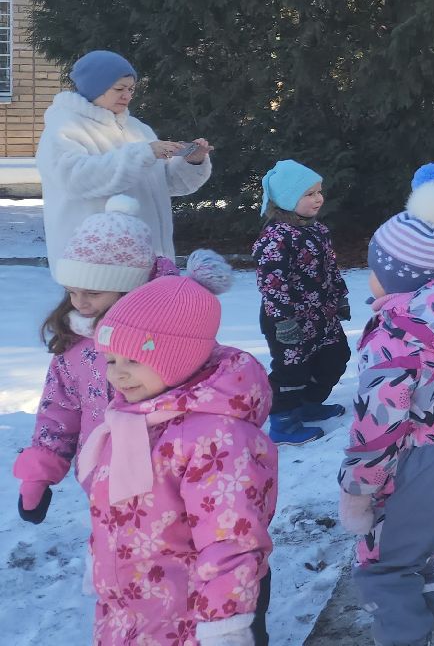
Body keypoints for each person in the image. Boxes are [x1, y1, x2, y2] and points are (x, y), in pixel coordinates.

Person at [78, 254, 277, 646]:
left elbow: (232, 538)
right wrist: (100, 564)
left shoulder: (215, 437)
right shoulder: (133, 418)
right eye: (112, 359)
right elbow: (110, 509)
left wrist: (225, 626)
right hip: (128, 607)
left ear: (178, 359)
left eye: (134, 360)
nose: (117, 373)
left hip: (188, 615)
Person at [339, 181, 434, 646]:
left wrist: (358, 489)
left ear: (393, 274)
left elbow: (379, 425)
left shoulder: (394, 335)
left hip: (419, 460)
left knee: (386, 562)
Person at [13, 196, 177, 523]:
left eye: (92, 293)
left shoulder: (168, 335)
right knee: (112, 559)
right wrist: (40, 471)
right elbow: (59, 408)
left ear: (129, 288)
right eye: (73, 292)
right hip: (101, 474)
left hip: (167, 471)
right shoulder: (75, 342)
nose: (80, 303)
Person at [36, 49, 212, 261]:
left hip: (148, 257)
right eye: (119, 88)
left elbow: (161, 185)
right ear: (94, 88)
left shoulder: (137, 129)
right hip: (95, 263)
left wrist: (192, 161)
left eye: (131, 89)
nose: (127, 95)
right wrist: (143, 153)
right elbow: (74, 178)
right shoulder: (64, 128)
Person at [254, 159, 352, 446]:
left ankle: (308, 403)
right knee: (292, 370)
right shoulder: (275, 238)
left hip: (322, 312)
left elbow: (330, 269)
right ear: (286, 198)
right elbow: (272, 283)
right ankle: (284, 421)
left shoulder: (317, 230)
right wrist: (284, 320)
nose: (318, 198)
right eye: (309, 194)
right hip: (287, 318)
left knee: (335, 357)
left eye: (319, 191)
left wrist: (340, 296)